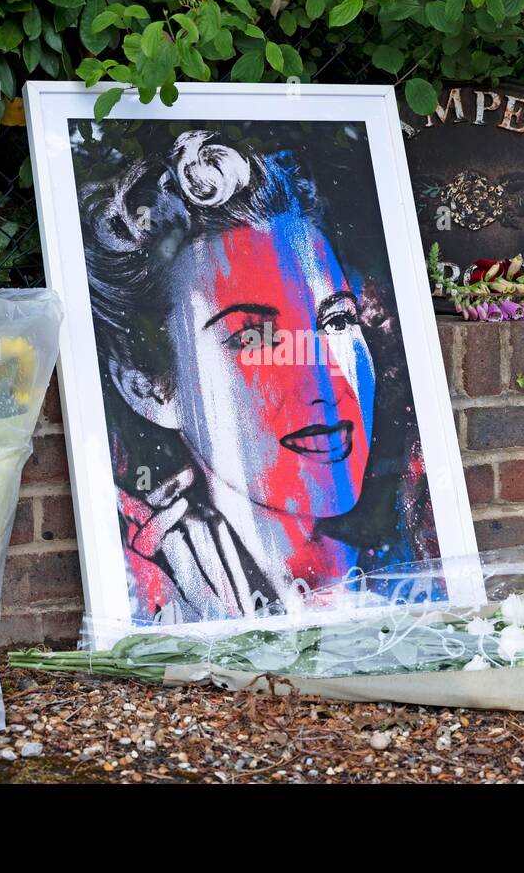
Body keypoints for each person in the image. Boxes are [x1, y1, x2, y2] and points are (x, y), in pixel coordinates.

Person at [79, 128, 395, 623]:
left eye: (336, 320)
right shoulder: (149, 596)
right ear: (149, 387)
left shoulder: (413, 549)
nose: (325, 378)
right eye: (254, 338)